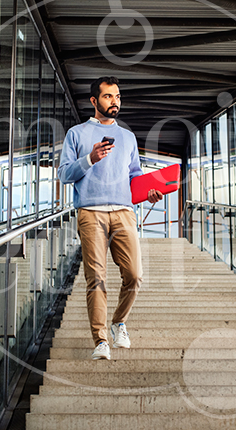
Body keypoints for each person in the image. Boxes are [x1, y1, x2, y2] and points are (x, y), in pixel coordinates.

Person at [58, 76, 163, 360]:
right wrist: (90, 158)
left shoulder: (128, 137)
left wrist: (147, 193)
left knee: (134, 275)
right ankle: (100, 340)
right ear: (94, 101)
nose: (114, 101)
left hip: (123, 212)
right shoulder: (77, 134)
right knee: (96, 278)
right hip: (90, 212)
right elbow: (64, 174)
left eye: (117, 96)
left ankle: (118, 322)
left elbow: (135, 176)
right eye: (107, 97)